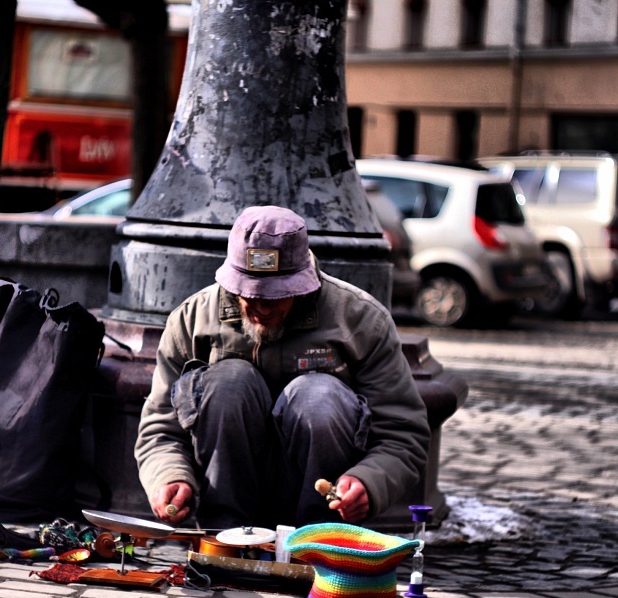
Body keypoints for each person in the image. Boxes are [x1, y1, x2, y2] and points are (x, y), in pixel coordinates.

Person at [135, 205, 431, 529]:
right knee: (228, 381)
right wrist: (169, 476)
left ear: (303, 285)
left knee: (317, 396)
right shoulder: (191, 320)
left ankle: (318, 545)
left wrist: (369, 482)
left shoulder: (362, 320)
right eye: (249, 294)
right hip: (223, 500)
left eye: (276, 296)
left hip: (320, 513)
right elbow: (161, 428)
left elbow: (403, 434)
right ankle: (224, 542)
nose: (261, 308)